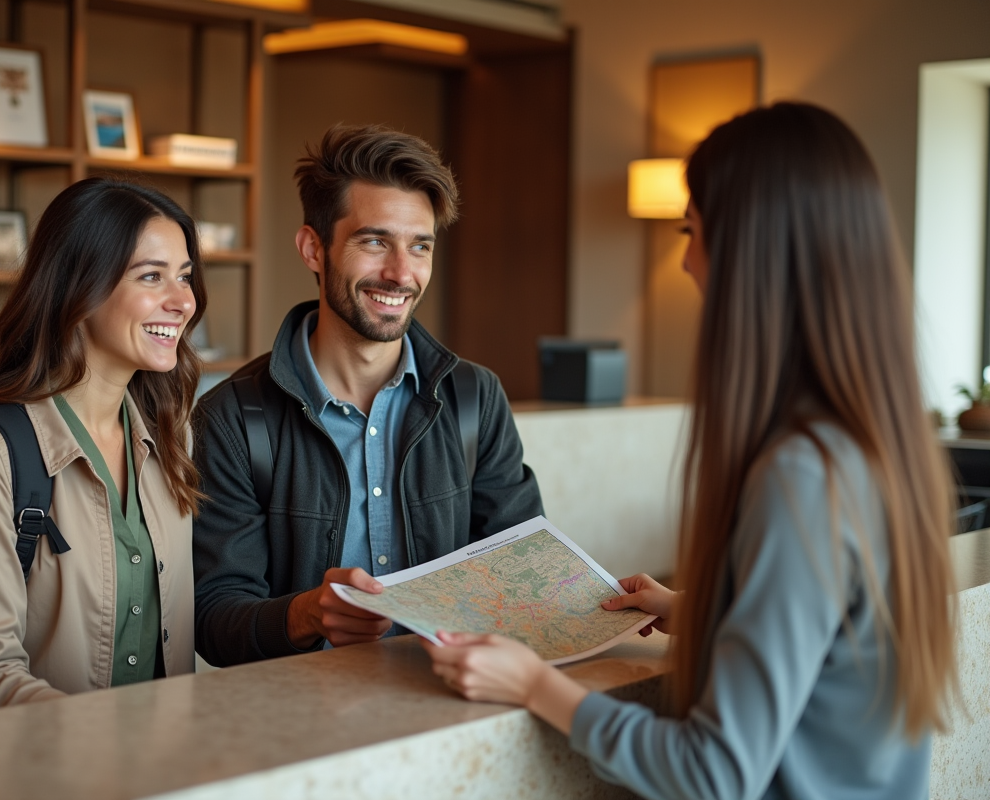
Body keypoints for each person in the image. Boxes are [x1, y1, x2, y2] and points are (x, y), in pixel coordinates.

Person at [424, 102, 958, 799]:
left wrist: (535, 686)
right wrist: (710, 609)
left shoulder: (799, 474)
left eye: (692, 231)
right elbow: (834, 644)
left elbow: (714, 772)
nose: (685, 261)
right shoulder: (867, 442)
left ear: (751, 251)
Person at [193, 124, 545, 666]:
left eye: (420, 246)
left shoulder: (476, 397)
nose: (401, 273)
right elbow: (214, 619)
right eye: (375, 241)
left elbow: (523, 577)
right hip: (301, 726)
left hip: (447, 704)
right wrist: (306, 614)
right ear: (314, 248)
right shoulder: (234, 418)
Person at [0, 177, 208, 711]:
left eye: (185, 277)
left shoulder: (172, 436)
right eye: (152, 276)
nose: (184, 302)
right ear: (80, 288)